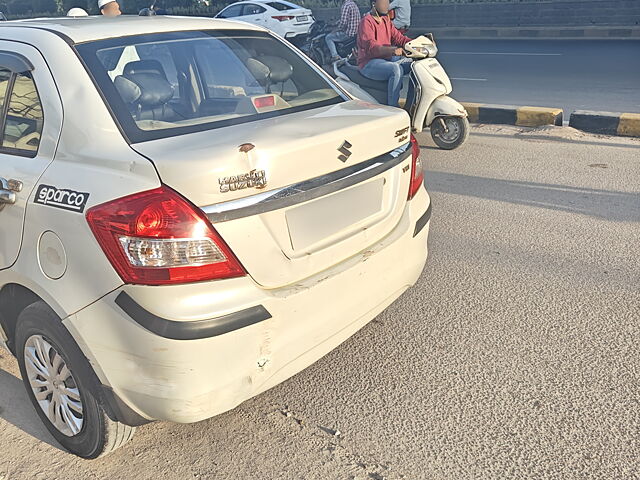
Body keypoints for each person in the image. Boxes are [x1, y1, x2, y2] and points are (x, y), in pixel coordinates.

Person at [356, 0, 412, 107]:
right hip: (369, 63)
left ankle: (411, 103)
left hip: (385, 59)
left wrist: (418, 43)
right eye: (384, 2)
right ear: (374, 3)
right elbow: (372, 48)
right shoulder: (366, 22)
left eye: (388, 2)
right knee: (396, 69)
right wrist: (392, 50)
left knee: (413, 63)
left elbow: (399, 38)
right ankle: (393, 108)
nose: (387, 5)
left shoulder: (386, 20)